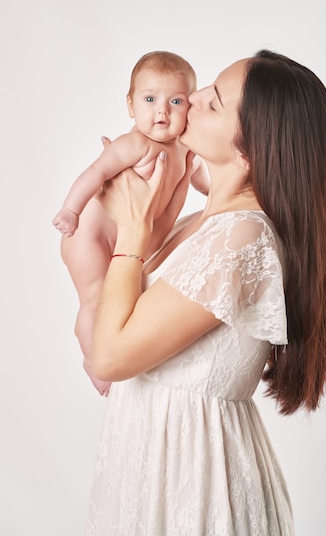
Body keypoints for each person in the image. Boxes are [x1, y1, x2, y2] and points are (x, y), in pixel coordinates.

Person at [66, 49, 326, 535]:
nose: (189, 100)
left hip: (195, 485)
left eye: (212, 101)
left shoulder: (242, 239)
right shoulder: (201, 223)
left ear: (250, 150)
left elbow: (109, 358)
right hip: (147, 470)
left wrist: (132, 230)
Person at [55, 51, 209, 395]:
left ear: (190, 107)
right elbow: (96, 172)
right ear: (130, 105)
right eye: (150, 99)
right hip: (89, 235)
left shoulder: (185, 149)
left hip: (130, 242)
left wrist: (217, 193)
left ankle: (110, 346)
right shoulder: (135, 144)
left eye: (176, 101)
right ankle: (93, 356)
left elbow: (201, 181)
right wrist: (71, 210)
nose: (162, 111)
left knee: (124, 296)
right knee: (95, 296)